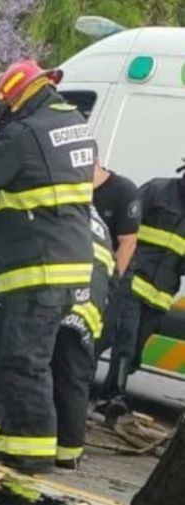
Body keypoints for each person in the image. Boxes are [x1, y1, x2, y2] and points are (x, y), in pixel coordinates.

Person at [0, 60, 96, 474]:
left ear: (14, 99)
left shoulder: (24, 134)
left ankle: (32, 454)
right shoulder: (73, 125)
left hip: (40, 269)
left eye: (4, 107)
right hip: (59, 263)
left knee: (23, 363)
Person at [97, 164, 185, 421]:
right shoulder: (157, 190)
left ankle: (110, 389)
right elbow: (125, 228)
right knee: (123, 338)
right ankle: (112, 397)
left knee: (134, 350)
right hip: (132, 281)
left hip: (161, 294)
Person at [53, 206, 114, 469]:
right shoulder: (95, 217)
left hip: (66, 297)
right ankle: (68, 452)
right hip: (90, 303)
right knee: (73, 378)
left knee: (41, 370)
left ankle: (43, 445)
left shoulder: (62, 199)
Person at [90, 160, 142, 418]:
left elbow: (128, 243)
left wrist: (112, 282)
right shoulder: (75, 187)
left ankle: (112, 394)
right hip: (80, 275)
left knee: (107, 336)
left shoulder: (122, 191)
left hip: (112, 280)